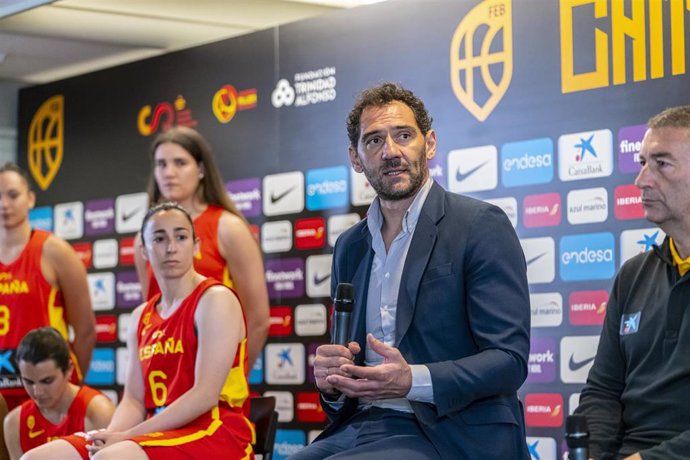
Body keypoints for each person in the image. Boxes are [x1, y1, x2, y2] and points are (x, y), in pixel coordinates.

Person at [289, 82, 531, 460]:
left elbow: (508, 361)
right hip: (361, 427)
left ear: (429, 143)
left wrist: (411, 381)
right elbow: (344, 374)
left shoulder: (480, 224)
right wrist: (332, 382)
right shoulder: (350, 246)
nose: (391, 152)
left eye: (404, 135)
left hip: (450, 430)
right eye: (373, 141)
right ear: (355, 158)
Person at [23, 202, 254, 460]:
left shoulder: (215, 299)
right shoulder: (140, 316)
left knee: (111, 458)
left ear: (196, 245)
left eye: (181, 236)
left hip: (216, 431)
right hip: (157, 433)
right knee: (37, 458)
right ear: (143, 249)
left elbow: (205, 396)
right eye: (159, 238)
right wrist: (109, 435)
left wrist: (126, 437)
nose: (171, 247)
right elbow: (133, 400)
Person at [574, 106, 690, 460]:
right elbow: (603, 390)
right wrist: (594, 454)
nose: (641, 180)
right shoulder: (633, 275)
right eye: (642, 163)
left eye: (661, 164)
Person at [134, 127, 269, 369]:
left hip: (215, 376)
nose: (169, 173)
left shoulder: (228, 227)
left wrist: (230, 375)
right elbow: (152, 312)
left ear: (201, 169)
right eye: (161, 164)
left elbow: (258, 319)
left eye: (180, 163)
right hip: (163, 376)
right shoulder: (143, 239)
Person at [0, 163, 96, 459]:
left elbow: (85, 329)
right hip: (3, 394)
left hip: (51, 390)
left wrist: (59, 378)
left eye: (13, 195)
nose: (4, 204)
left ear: (30, 198)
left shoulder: (54, 250)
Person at [3, 327, 115, 460]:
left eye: (47, 381)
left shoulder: (99, 411)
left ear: (69, 370)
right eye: (28, 381)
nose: (37, 391)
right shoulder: (14, 423)